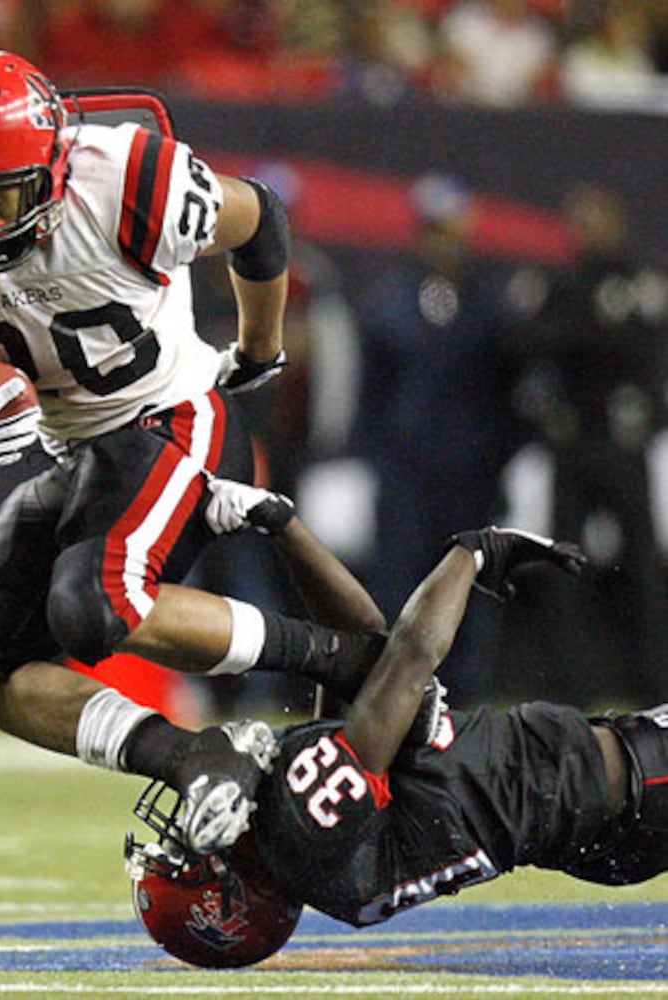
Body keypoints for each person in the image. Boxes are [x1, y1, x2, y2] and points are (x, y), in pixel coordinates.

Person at [0, 50, 389, 856]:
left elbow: (258, 217)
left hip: (173, 415)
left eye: (1, 194)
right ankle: (198, 753)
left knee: (98, 605)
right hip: (78, 455)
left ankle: (341, 655)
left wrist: (257, 349)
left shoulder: (123, 175)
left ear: (54, 164)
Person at [126, 511, 668, 968]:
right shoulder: (301, 831)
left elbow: (355, 647)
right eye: (189, 855)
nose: (188, 825)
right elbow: (408, 656)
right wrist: (475, 552)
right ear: (235, 896)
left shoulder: (306, 844)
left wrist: (283, 525)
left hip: (614, 807)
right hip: (637, 785)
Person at [351, 172, 521, 701]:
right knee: (400, 582)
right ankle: (395, 693)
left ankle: (464, 694)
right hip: (407, 471)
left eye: (450, 230)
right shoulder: (392, 299)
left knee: (469, 584)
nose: (442, 242)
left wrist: (499, 455)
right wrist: (377, 456)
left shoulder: (490, 303)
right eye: (434, 231)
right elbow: (372, 390)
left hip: (473, 469)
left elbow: (508, 389)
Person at [508, 182, 668, 706]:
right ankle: (572, 690)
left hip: (625, 442)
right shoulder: (559, 281)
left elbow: (643, 345)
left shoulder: (637, 280)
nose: (587, 230)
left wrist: (581, 332)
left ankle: (653, 686)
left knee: (642, 568)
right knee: (566, 569)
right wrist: (595, 326)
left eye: (595, 218)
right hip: (573, 440)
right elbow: (526, 341)